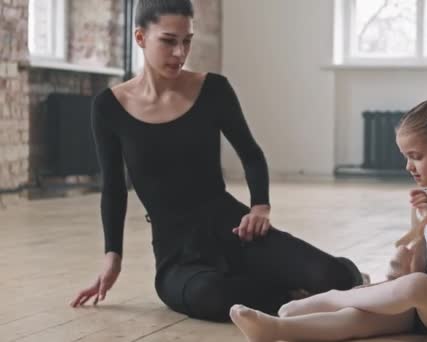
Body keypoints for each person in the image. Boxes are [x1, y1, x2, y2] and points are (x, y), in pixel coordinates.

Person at [69, 0, 363, 322]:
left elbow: (250, 153)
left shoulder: (213, 90)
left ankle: (315, 287)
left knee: (330, 276)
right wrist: (113, 256)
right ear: (140, 38)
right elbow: (113, 188)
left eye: (187, 41)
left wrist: (260, 207)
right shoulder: (109, 107)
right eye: (169, 41)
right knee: (211, 297)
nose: (180, 53)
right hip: (178, 256)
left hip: (237, 230)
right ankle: (292, 295)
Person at [230, 93, 427, 340]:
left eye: (416, 156)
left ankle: (333, 298)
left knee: (417, 285)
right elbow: (422, 270)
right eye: (405, 156)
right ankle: (276, 330)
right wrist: (405, 265)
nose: (408, 166)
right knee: (356, 320)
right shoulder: (425, 198)